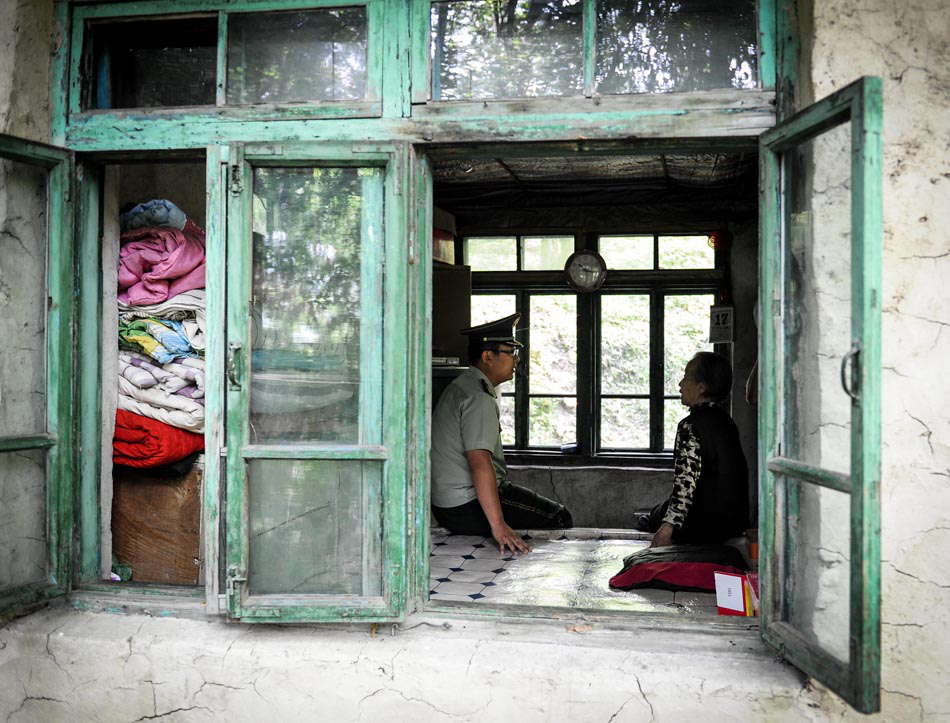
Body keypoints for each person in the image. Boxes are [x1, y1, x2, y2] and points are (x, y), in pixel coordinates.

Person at [430, 313, 573, 554]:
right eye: (511, 353)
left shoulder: (462, 385)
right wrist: (499, 526)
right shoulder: (478, 396)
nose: (516, 361)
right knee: (559, 517)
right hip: (464, 505)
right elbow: (479, 462)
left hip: (445, 504)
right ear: (488, 356)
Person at [640, 351, 749, 547]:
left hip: (703, 526)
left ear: (701, 387)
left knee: (656, 516)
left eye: (686, 377)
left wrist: (667, 528)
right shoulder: (727, 422)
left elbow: (685, 484)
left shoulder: (690, 426)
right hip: (733, 523)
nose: (680, 384)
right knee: (658, 511)